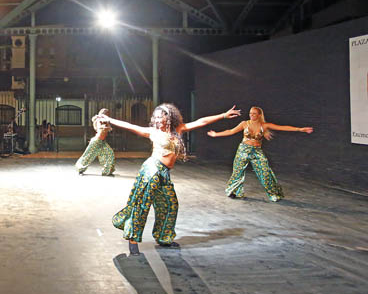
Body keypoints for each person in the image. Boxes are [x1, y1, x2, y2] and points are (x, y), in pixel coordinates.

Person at [101, 104, 241, 255]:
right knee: (142, 205)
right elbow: (129, 126)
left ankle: (164, 237)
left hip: (164, 173)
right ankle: (133, 240)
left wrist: (224, 115)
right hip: (151, 170)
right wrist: (109, 119)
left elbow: (201, 122)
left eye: (161, 116)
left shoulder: (178, 129)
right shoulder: (153, 132)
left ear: (169, 117)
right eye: (156, 117)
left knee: (170, 205)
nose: (157, 119)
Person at [207, 106, 314, 202]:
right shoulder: (245, 123)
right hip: (243, 150)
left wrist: (300, 129)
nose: (251, 115)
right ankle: (234, 192)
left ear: (259, 115)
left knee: (265, 172)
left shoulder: (265, 125)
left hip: (257, 151)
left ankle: (274, 194)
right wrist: (216, 134)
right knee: (238, 172)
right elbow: (231, 131)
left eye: (254, 113)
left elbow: (282, 127)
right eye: (250, 113)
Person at [75, 108, 116, 176]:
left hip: (102, 142)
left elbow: (108, 127)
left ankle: (107, 171)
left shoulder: (106, 121)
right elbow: (100, 128)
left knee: (110, 153)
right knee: (88, 156)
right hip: (96, 141)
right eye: (107, 114)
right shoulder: (99, 120)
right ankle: (80, 169)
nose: (108, 115)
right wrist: (106, 128)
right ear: (104, 114)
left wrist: (108, 126)